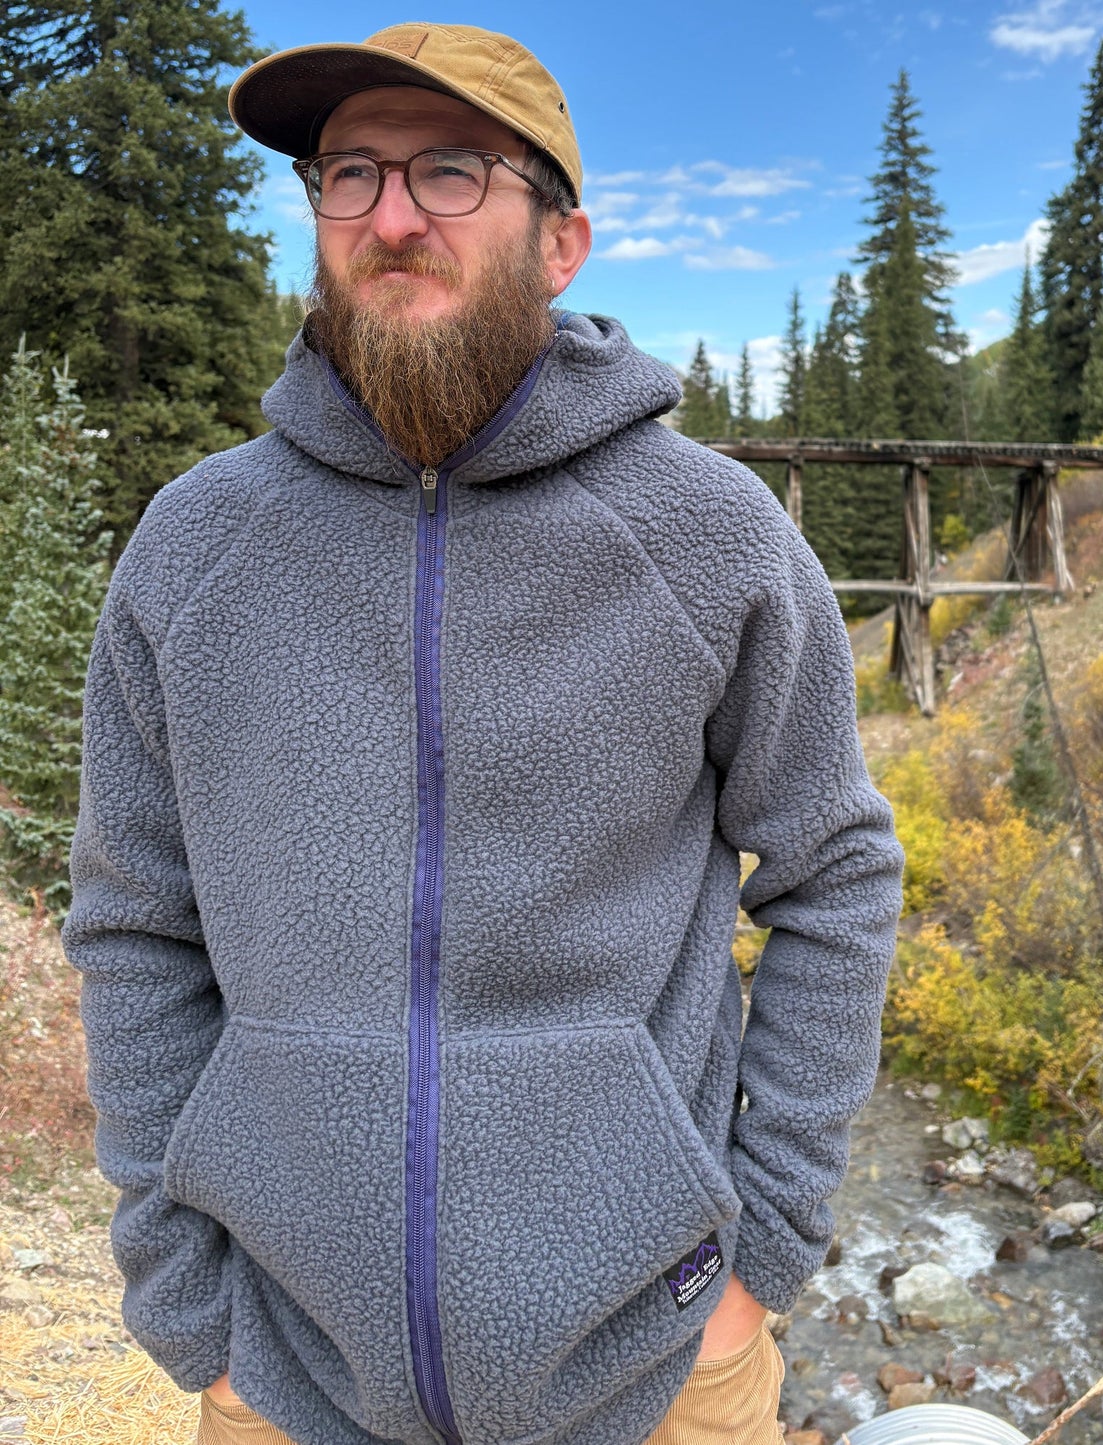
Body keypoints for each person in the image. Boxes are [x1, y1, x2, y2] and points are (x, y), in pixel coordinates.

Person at [62, 20, 905, 1445]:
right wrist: (187, 1309)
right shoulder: (193, 549)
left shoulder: (709, 541)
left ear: (560, 240)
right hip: (280, 1384)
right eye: (350, 174)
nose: (391, 217)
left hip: (662, 1377)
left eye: (451, 171)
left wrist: (758, 1252)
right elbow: (135, 924)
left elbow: (834, 874)